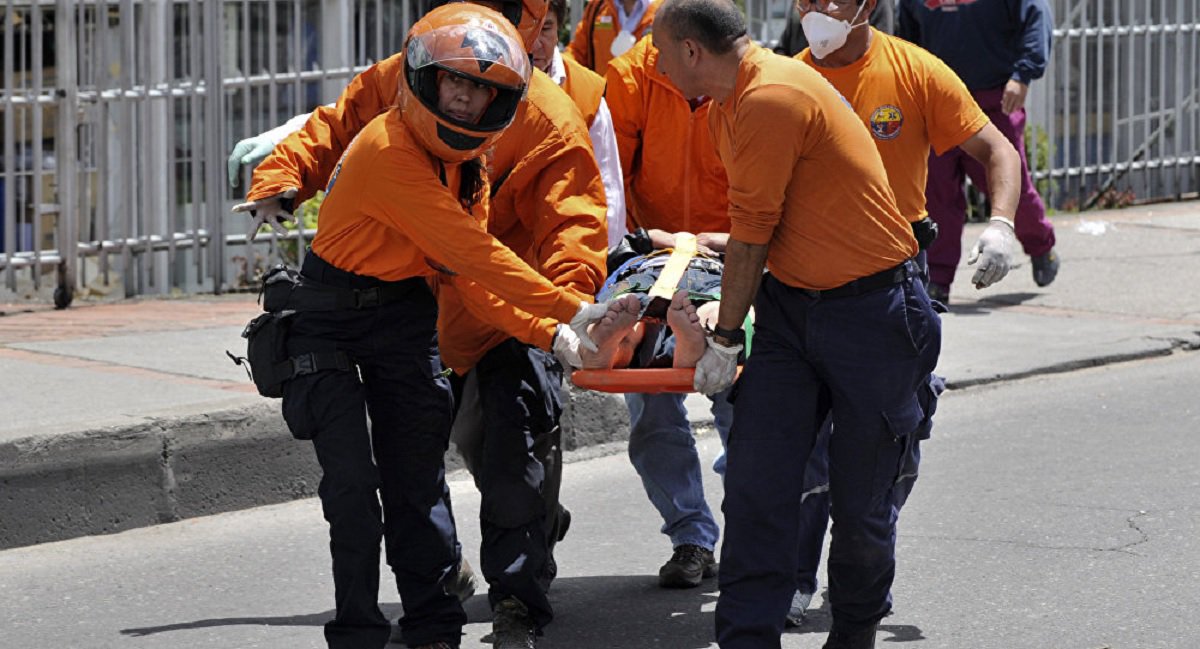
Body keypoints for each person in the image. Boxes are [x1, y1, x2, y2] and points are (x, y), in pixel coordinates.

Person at [236, 0, 611, 646]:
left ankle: (451, 622)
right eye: (454, 81)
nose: (464, 96)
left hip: (431, 315)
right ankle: (358, 630)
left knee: (433, 479)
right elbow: (469, 250)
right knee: (354, 491)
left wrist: (558, 332)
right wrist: (283, 175)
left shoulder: (516, 137)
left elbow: (548, 237)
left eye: (481, 87)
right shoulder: (393, 135)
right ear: (429, 68)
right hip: (334, 318)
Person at [651, 2, 942, 648]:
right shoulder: (729, 104)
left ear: (693, 52)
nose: (657, 64)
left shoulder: (770, 96)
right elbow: (767, 224)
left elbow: (755, 235)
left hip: (875, 314)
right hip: (791, 310)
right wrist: (711, 256)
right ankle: (747, 637)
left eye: (662, 51)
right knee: (758, 483)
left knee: (862, 503)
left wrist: (725, 336)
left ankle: (855, 632)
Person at [785, 0, 1024, 625]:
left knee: (886, 453)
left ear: (867, 5)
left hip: (892, 293)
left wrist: (1001, 225)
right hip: (802, 293)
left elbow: (997, 150)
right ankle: (794, 579)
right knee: (801, 450)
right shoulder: (787, 80)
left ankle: (859, 581)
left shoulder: (915, 72)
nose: (815, 8)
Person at [603, 34, 735, 588]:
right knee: (654, 404)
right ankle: (692, 539)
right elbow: (611, 180)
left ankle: (752, 532)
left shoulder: (744, 79)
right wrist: (645, 240)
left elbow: (773, 181)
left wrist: (733, 240)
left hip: (732, 260)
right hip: (653, 261)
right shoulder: (630, 77)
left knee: (742, 406)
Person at [897, 0, 1059, 302]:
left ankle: (1041, 245)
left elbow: (1036, 17)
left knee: (1010, 188)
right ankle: (937, 281)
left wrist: (1022, 74)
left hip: (993, 100)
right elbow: (906, 37)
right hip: (937, 100)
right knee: (937, 195)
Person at [533, 0, 629, 248]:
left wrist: (605, 256)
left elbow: (608, 186)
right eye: (526, 28)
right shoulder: (481, 83)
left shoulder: (588, 92)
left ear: (559, 29)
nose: (534, 43)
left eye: (545, 29)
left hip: (571, 247)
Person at [565, 0, 659, 75]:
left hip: (648, 98)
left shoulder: (664, 11)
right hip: (601, 96)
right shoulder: (597, 7)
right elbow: (576, 53)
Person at [773, 0, 892, 56]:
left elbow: (878, 49)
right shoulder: (802, 7)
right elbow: (783, 48)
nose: (816, 11)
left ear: (867, 6)